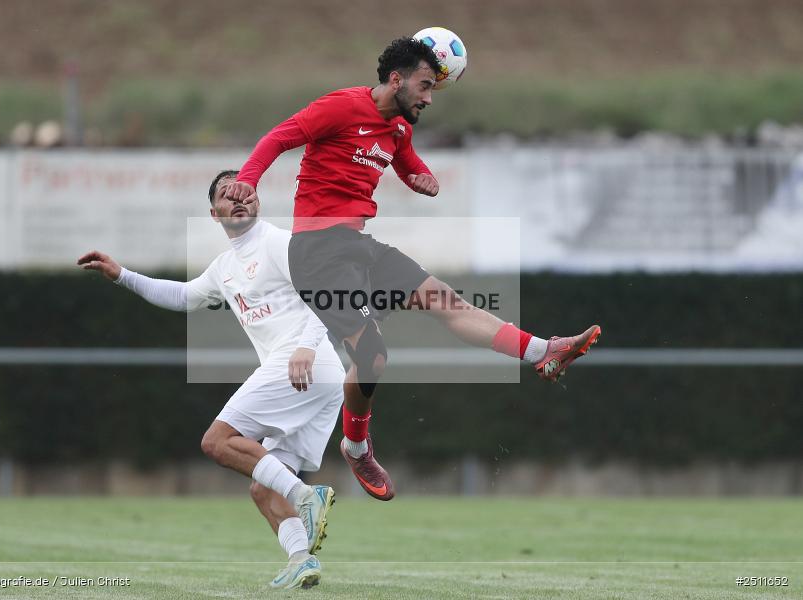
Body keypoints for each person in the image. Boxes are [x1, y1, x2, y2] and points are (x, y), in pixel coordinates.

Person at [224, 37, 601, 502]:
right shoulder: (341, 106)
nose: (429, 98)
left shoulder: (399, 127)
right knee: (373, 356)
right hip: (317, 255)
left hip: (356, 245)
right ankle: (356, 447)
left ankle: (543, 351)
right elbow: (279, 136)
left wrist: (423, 178)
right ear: (395, 79)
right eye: (424, 86)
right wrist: (247, 179)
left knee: (445, 300)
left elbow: (407, 163)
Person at [78, 170, 344, 589]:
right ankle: (301, 560)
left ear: (257, 202)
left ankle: (306, 497)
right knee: (263, 488)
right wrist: (122, 275)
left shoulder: (278, 243)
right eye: (227, 193)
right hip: (314, 378)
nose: (238, 198)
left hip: (305, 363)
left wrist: (307, 347)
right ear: (214, 213)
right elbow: (183, 296)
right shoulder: (225, 268)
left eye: (245, 191)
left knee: (217, 442)